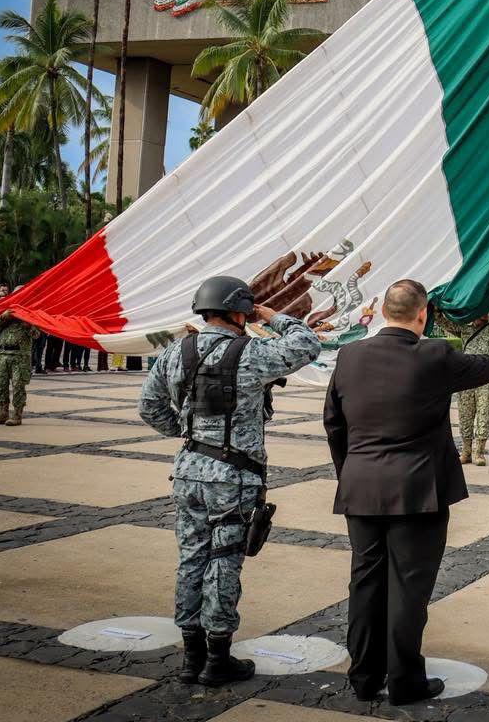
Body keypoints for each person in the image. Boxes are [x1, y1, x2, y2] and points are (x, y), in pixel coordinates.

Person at [138, 276, 320, 687]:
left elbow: (148, 405)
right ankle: (218, 658)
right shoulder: (250, 352)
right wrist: (275, 318)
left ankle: (191, 657)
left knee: (190, 558)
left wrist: (188, 434)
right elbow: (307, 345)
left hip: (188, 470)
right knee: (223, 561)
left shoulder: (175, 351)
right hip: (233, 477)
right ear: (241, 311)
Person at [324, 279, 489, 704]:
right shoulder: (436, 354)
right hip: (418, 490)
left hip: (362, 486)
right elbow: (488, 368)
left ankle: (364, 678)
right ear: (423, 315)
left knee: (364, 585)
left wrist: (351, 471)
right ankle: (405, 682)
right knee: (408, 588)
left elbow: (334, 421)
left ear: (384, 311)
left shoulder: (350, 355)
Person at [433, 284, 489, 466]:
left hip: (486, 377)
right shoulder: (464, 329)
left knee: (484, 413)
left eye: (486, 311)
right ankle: (466, 451)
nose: (483, 315)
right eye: (480, 311)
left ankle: (479, 451)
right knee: (465, 412)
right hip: (466, 376)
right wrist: (437, 303)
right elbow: (442, 321)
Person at [0, 308, 37, 425]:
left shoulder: (30, 316)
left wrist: (28, 325)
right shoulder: (5, 316)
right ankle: (3, 413)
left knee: (18, 385)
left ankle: (17, 415)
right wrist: (2, 317)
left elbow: (37, 335)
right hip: (2, 355)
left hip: (20, 357)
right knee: (0, 385)